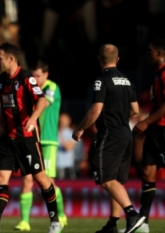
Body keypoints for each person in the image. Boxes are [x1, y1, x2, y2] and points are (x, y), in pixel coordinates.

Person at [0, 42, 62, 233]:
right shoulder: (0, 80)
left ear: (11, 59)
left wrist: (33, 117)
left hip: (27, 138)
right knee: (0, 177)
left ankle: (55, 220)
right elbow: (5, 108)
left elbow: (43, 100)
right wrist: (0, 130)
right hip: (7, 140)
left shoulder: (26, 78)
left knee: (41, 179)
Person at [72, 44, 144, 233]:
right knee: (115, 181)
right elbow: (136, 110)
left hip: (110, 135)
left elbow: (96, 109)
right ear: (118, 59)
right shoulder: (128, 81)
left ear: (99, 59)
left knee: (105, 179)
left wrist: (80, 129)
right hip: (126, 135)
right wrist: (120, 113)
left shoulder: (101, 80)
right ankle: (113, 224)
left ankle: (132, 215)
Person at [14, 60, 66, 232]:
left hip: (48, 140)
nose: (34, 78)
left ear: (46, 75)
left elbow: (42, 104)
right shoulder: (31, 87)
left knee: (48, 181)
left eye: (38, 75)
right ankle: (24, 221)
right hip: (31, 138)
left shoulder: (52, 87)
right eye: (33, 75)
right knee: (27, 180)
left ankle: (61, 215)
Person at [129, 38, 165, 233]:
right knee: (147, 173)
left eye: (150, 51)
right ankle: (143, 222)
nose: (147, 54)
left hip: (163, 129)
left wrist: (146, 121)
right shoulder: (157, 75)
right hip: (155, 131)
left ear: (159, 53)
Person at [56, 113, 77, 180]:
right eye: (61, 121)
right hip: (55, 165)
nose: (62, 123)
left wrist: (60, 135)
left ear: (69, 121)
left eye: (64, 121)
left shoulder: (72, 133)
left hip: (67, 166)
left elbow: (69, 147)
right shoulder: (54, 132)